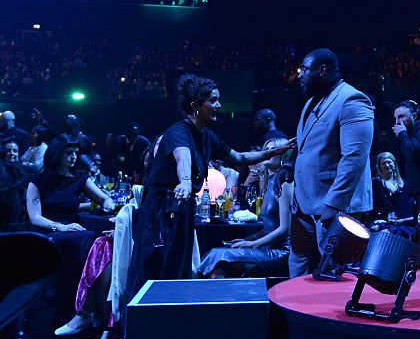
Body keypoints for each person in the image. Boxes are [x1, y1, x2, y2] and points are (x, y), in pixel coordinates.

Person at [128, 75, 294, 293]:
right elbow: (183, 158)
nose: (219, 105)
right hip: (160, 212)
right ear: (195, 105)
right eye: (213, 100)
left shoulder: (206, 136)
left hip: (181, 210)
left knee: (178, 269)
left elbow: (240, 158)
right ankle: (137, 323)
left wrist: (275, 151)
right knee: (155, 269)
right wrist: (186, 182)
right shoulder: (178, 132)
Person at [288, 48, 374, 278]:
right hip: (304, 205)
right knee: (299, 268)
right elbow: (305, 145)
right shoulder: (312, 102)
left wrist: (334, 204)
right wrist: (288, 167)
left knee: (332, 274)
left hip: (331, 206)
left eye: (305, 69)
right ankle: (293, 312)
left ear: (323, 70)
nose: (300, 75)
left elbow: (354, 158)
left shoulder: (352, 100)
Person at [25, 135, 115, 326]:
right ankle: (83, 309)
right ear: (57, 154)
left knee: (97, 241)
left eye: (75, 153)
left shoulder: (79, 179)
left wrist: (108, 203)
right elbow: (35, 217)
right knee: (83, 239)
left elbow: (105, 198)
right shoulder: (38, 180)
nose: (74, 157)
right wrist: (61, 227)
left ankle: (95, 310)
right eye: (68, 153)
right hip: (48, 232)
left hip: (73, 230)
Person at [197, 138, 293, 279]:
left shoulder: (285, 184)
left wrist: (253, 244)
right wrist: (247, 239)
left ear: (284, 154)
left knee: (220, 256)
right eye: (265, 149)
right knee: (219, 252)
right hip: (267, 246)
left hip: (281, 251)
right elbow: (268, 228)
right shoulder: (269, 182)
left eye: (272, 149)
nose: (267, 153)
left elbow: (285, 229)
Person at [369, 152, 416, 237]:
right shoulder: (376, 183)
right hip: (383, 221)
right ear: (380, 167)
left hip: (402, 222)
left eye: (389, 162)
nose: (387, 165)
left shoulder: (404, 184)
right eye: (383, 164)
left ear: (394, 164)